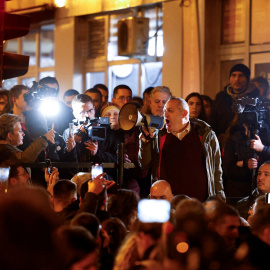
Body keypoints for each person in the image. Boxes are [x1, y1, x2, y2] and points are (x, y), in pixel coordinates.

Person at [139, 97, 225, 201]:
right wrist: (144, 143)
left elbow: (216, 170)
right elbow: (144, 164)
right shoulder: (158, 135)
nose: (165, 114)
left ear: (184, 114)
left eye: (170, 111)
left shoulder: (205, 134)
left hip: (199, 203)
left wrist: (219, 198)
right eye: (165, 111)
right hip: (166, 202)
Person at [210, 64, 260, 140]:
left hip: (247, 143)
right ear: (229, 78)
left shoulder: (255, 98)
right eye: (233, 75)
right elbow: (213, 120)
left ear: (247, 79)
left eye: (241, 76)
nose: (237, 79)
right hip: (222, 143)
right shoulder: (221, 97)